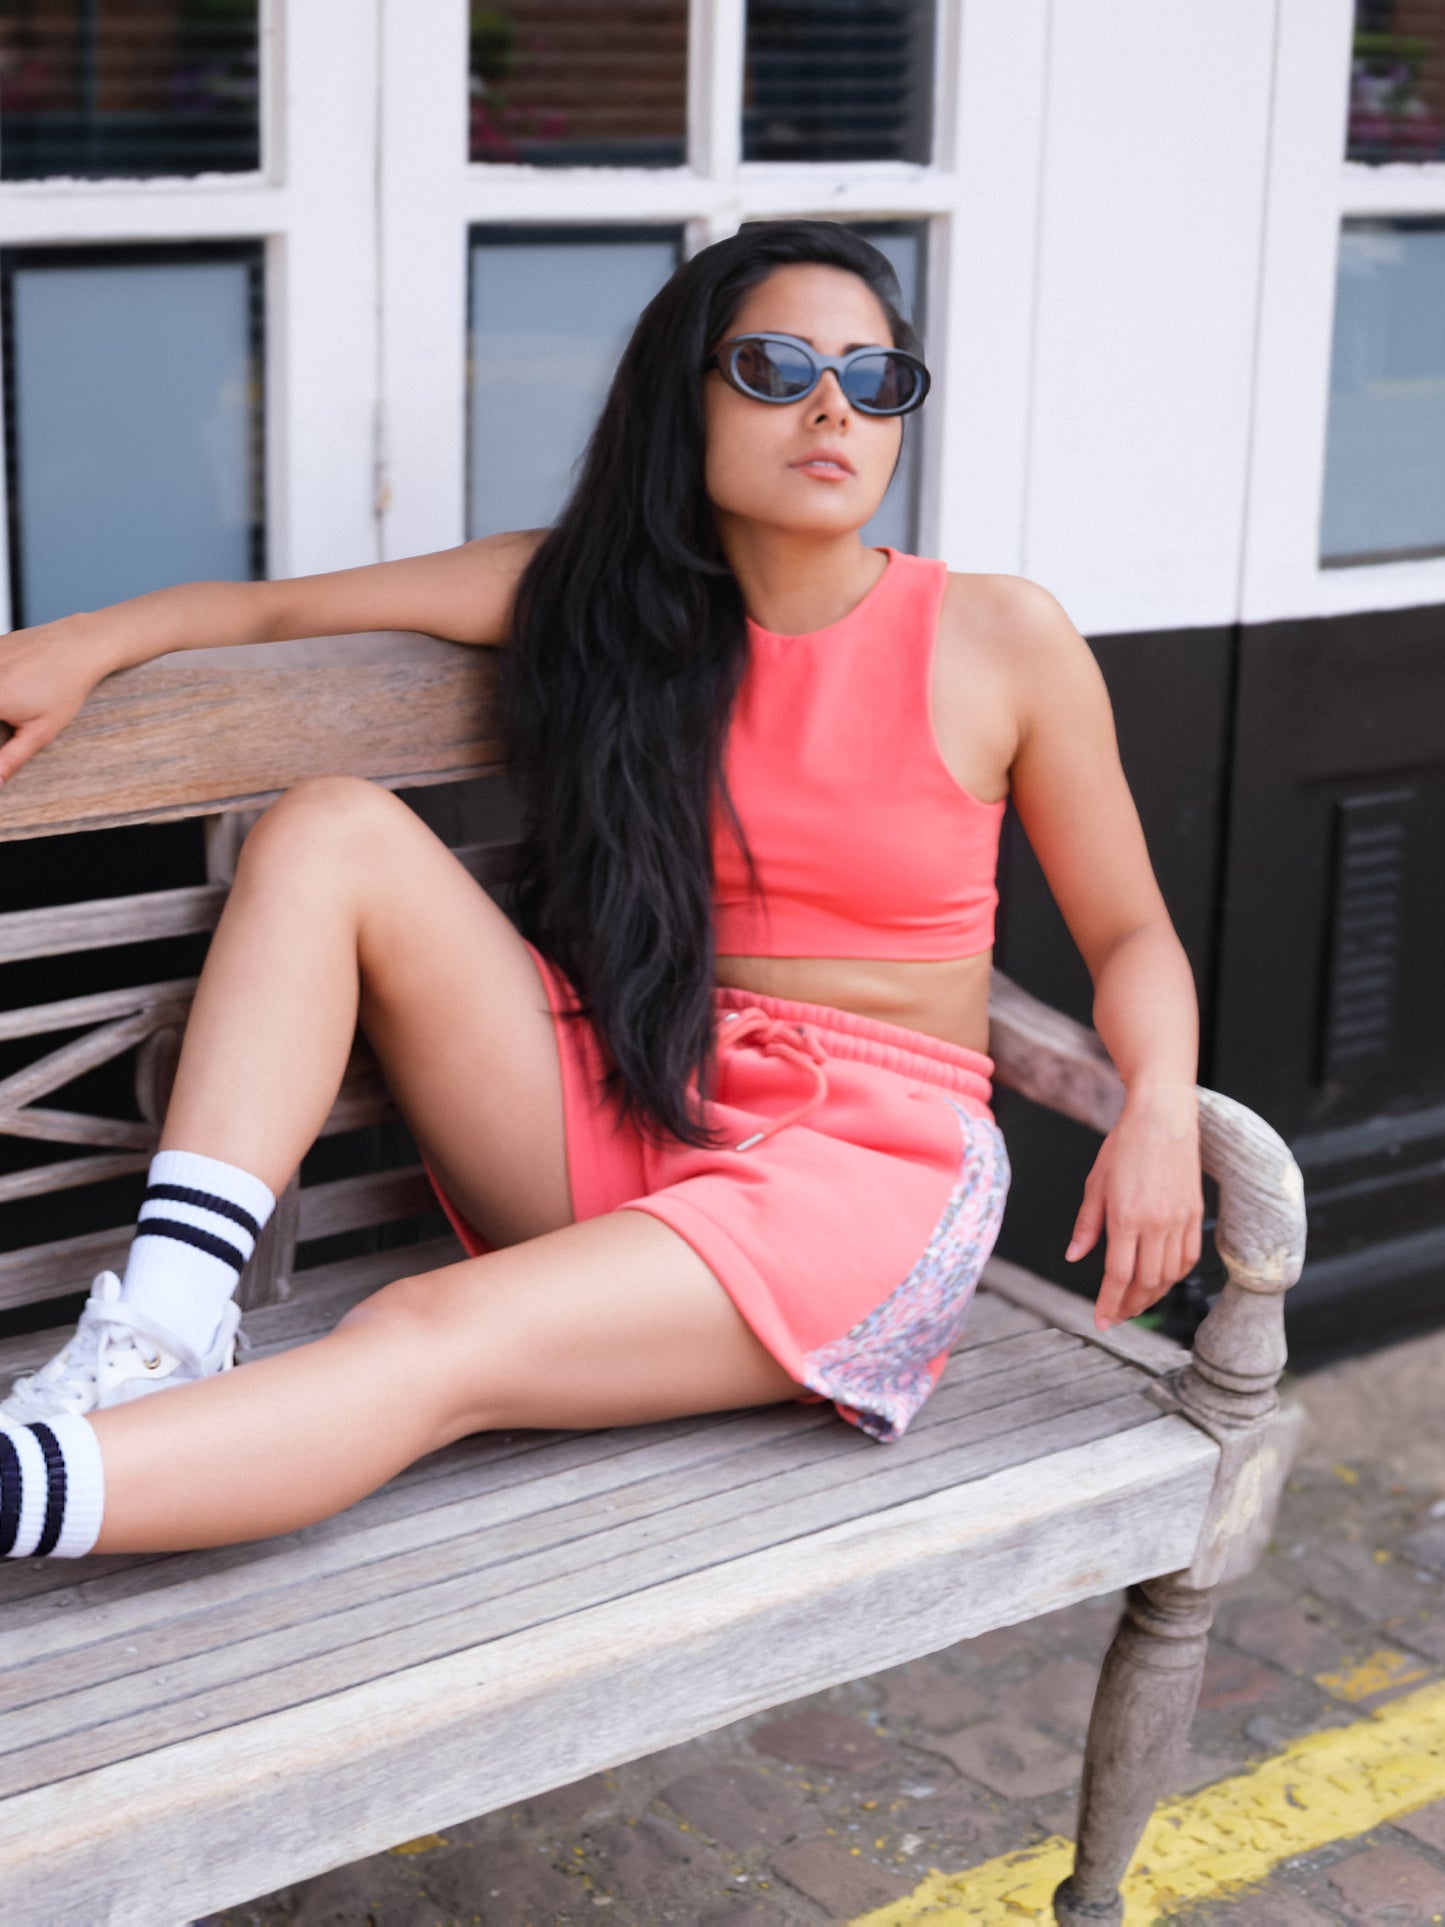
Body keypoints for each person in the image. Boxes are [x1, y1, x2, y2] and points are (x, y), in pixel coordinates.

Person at [0, 221, 1202, 1563]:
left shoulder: (1000, 637)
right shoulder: (587, 596)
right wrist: (89, 640)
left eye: (876, 381)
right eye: (776, 365)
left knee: (423, 1327)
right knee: (333, 826)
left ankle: (22, 1492)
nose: (830, 408)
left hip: (860, 1168)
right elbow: (277, 614)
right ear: (682, 387)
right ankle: (158, 1335)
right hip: (637, 1086)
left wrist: (1154, 1103)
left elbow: (1129, 929)